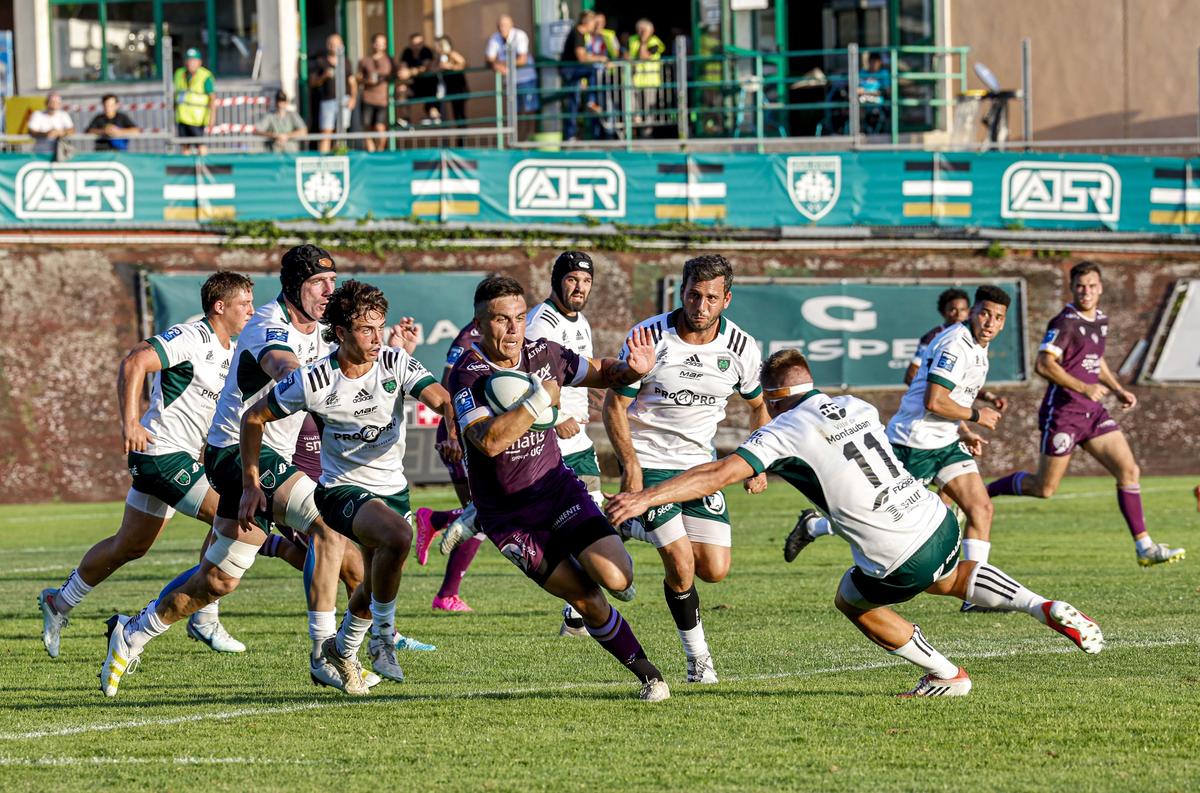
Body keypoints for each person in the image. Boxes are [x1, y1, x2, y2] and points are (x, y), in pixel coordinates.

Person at [606, 350, 1105, 697]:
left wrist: (644, 496)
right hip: (935, 519)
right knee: (952, 577)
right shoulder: (856, 404)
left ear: (777, 400)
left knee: (852, 598)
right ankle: (1042, 606)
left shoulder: (784, 426)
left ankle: (945, 673)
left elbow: (718, 472)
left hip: (893, 552)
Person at [99, 245, 359, 698]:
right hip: (237, 452)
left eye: (332, 282)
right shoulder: (266, 323)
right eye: (319, 283)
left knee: (220, 579)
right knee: (330, 529)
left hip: (270, 457)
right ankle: (329, 655)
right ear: (295, 286)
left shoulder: (323, 329)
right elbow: (283, 366)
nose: (328, 291)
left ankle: (134, 630)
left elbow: (355, 363)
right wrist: (314, 380)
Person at [448, 274, 670, 702]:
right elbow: (489, 442)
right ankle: (649, 676)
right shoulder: (468, 376)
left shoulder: (542, 353)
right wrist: (538, 400)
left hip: (556, 489)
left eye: (518, 318)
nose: (514, 330)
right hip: (511, 519)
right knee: (586, 597)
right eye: (501, 321)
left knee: (618, 578)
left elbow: (602, 372)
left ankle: (587, 548)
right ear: (479, 325)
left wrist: (632, 370)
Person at [240, 280, 456, 689]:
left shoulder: (395, 363)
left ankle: (342, 649)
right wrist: (252, 482)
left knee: (375, 579)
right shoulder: (314, 379)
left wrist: (453, 426)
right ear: (340, 333)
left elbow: (442, 398)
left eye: (380, 328)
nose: (377, 339)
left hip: (393, 488)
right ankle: (383, 638)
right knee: (398, 536)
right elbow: (253, 418)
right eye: (365, 330)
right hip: (340, 490)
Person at [39, 272, 255, 660]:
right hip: (160, 453)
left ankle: (59, 602)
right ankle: (204, 616)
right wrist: (131, 422)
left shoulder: (230, 351)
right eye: (244, 304)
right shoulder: (193, 336)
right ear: (220, 306)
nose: (251, 311)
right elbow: (135, 362)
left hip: (183, 458)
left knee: (131, 545)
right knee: (231, 518)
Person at [603, 255, 769, 683]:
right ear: (682, 291)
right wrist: (632, 466)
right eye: (694, 295)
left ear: (726, 300)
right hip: (652, 464)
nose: (701, 305)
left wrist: (759, 461)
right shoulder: (648, 337)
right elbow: (614, 405)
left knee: (714, 569)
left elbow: (759, 408)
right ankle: (699, 660)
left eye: (711, 298)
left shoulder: (742, 348)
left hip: (700, 470)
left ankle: (628, 525)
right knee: (680, 565)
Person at [987, 262, 1185, 567]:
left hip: (1092, 413)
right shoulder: (1064, 322)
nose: (1086, 292)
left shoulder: (1100, 320)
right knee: (1044, 488)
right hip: (1064, 414)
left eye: (1092, 286)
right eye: (1080, 286)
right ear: (1072, 288)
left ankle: (1144, 547)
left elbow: (1095, 359)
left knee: (1129, 470)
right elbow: (1044, 364)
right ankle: (985, 492)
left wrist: (1117, 389)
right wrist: (1083, 386)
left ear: (1101, 287)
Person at [885, 286, 1012, 610]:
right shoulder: (955, 343)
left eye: (998, 317)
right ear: (972, 312)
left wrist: (964, 430)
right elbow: (935, 400)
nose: (990, 322)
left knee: (981, 508)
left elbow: (960, 392)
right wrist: (976, 416)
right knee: (885, 515)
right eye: (985, 313)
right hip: (913, 443)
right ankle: (816, 524)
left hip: (945, 443)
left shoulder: (979, 347)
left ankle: (975, 595)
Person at [525, 252, 601, 637]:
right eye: (572, 279)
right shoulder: (542, 322)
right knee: (590, 520)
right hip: (554, 439)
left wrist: (591, 396)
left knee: (591, 520)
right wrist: (556, 419)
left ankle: (575, 616)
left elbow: (576, 370)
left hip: (580, 438)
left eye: (585, 281)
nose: (579, 287)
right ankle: (466, 520)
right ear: (557, 281)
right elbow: (529, 380)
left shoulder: (580, 321)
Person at [412, 319, 485, 614]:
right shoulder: (468, 339)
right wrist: (453, 436)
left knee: (481, 517)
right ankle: (446, 594)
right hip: (458, 438)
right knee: (483, 515)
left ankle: (436, 520)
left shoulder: (496, 339)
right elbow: (447, 391)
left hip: (473, 437)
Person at [485, 15, 538, 138]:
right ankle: (517, 140)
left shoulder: (520, 35)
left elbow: (522, 60)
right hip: (509, 81)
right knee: (514, 113)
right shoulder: (495, 37)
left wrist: (498, 64)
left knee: (528, 111)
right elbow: (488, 58)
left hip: (526, 79)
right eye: (500, 25)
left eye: (505, 25)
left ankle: (527, 140)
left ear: (511, 25)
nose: (502, 28)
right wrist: (495, 65)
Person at [904, 287, 970, 385]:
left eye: (963, 309)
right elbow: (910, 375)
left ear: (969, 312)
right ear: (943, 312)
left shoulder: (972, 336)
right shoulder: (932, 338)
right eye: (952, 309)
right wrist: (931, 395)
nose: (958, 314)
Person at [559, 11, 606, 141]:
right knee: (573, 100)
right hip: (570, 71)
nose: (594, 26)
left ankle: (571, 134)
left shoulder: (579, 34)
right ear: (586, 22)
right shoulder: (578, 33)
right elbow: (581, 57)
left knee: (573, 101)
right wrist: (599, 58)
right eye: (593, 23)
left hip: (571, 70)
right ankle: (591, 102)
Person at [311, 34, 357, 154]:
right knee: (326, 132)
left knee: (342, 131)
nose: (333, 47)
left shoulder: (346, 62)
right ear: (327, 46)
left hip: (344, 100)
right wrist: (324, 76)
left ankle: (340, 157)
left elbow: (352, 82)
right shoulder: (321, 62)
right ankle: (324, 160)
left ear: (341, 45)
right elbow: (313, 82)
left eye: (336, 44)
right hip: (328, 101)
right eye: (331, 44)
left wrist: (353, 98)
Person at [357, 33, 395, 152]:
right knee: (366, 126)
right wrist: (366, 81)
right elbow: (358, 77)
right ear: (373, 44)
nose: (379, 46)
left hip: (382, 99)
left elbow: (397, 74)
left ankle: (380, 151)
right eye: (377, 43)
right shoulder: (364, 60)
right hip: (367, 98)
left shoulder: (389, 60)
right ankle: (371, 151)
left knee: (380, 127)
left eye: (382, 43)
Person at [628, 19, 665, 137]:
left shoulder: (656, 42)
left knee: (649, 110)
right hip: (635, 80)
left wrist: (643, 42)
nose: (642, 32)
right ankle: (635, 133)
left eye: (644, 30)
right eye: (640, 30)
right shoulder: (632, 40)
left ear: (651, 31)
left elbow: (644, 56)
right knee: (634, 110)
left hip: (650, 81)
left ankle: (647, 135)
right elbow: (627, 56)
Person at [173, 48, 214, 155]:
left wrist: (212, 118)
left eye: (193, 60)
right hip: (182, 117)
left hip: (197, 119)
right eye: (188, 60)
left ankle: (204, 169)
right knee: (184, 146)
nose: (190, 63)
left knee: (200, 146)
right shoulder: (179, 73)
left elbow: (212, 98)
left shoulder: (205, 76)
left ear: (199, 62)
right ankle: (186, 169)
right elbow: (176, 94)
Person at [401, 33, 440, 124]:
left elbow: (425, 67)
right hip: (415, 84)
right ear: (410, 43)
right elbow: (403, 67)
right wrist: (404, 72)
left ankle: (434, 117)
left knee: (431, 100)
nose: (416, 46)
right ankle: (406, 118)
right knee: (402, 89)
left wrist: (410, 72)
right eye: (413, 44)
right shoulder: (407, 52)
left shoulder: (426, 51)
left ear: (422, 43)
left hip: (429, 83)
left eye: (418, 43)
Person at [435, 36, 469, 129]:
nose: (436, 48)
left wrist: (449, 67)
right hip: (450, 89)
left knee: (459, 114)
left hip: (459, 88)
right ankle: (460, 138)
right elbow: (434, 68)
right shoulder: (440, 58)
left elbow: (464, 64)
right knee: (456, 114)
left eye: (438, 46)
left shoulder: (452, 54)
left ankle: (462, 140)